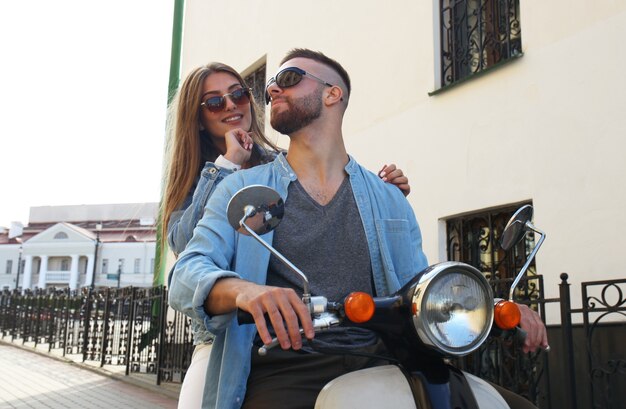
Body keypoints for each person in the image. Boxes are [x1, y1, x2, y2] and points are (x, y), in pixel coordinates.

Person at [168, 49, 548, 409]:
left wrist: (495, 304)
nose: (271, 90)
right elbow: (187, 271)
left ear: (333, 94)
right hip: (287, 366)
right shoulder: (242, 188)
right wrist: (245, 291)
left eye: (288, 77)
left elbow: (419, 288)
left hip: (381, 360)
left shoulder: (388, 197)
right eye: (269, 88)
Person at [162, 61, 413, 408]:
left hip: (370, 355)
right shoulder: (223, 181)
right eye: (216, 102)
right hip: (232, 336)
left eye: (239, 94)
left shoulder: (283, 162)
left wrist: (383, 195)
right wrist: (227, 166)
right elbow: (189, 254)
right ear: (199, 119)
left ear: (333, 94)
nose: (233, 105)